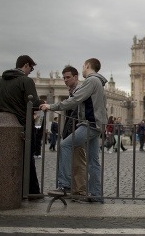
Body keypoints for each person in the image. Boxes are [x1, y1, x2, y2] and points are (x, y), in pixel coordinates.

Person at [41, 58, 108, 203]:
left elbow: (75, 100)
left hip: (89, 124)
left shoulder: (91, 81)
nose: (82, 69)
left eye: (83, 66)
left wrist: (51, 107)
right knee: (93, 161)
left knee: (65, 145)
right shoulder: (99, 82)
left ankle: (64, 185)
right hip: (97, 124)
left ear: (87, 66)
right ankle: (95, 194)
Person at [0, 55, 44, 198]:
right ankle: (32, 191)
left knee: (7, 159)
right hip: (23, 125)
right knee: (28, 158)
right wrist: (43, 102)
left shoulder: (1, 81)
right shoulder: (26, 81)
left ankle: (10, 190)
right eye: (31, 68)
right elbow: (33, 103)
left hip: (4, 124)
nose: (31, 71)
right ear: (26, 65)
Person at [60, 65, 88, 201]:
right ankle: (76, 191)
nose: (65, 80)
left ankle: (80, 191)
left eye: (68, 77)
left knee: (79, 161)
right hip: (71, 130)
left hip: (78, 129)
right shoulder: (72, 91)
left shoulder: (80, 91)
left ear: (76, 77)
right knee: (75, 161)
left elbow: (77, 113)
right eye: (64, 78)